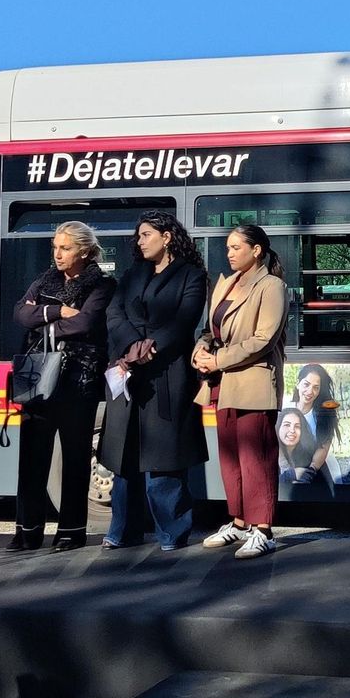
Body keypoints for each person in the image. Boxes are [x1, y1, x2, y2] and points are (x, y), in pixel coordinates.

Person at [99, 211, 209, 551]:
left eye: (146, 234)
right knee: (124, 457)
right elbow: (113, 313)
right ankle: (123, 529)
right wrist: (133, 346)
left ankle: (171, 532)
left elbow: (184, 322)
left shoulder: (192, 276)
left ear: (167, 237)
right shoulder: (133, 274)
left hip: (167, 375)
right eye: (139, 235)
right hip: (129, 371)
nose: (140, 241)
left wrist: (149, 348)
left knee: (165, 459)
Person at [9, 221, 118, 553]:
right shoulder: (45, 280)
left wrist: (42, 321)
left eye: (65, 248)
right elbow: (20, 314)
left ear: (84, 251)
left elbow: (86, 322)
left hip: (78, 380)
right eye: (55, 247)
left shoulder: (102, 284)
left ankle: (71, 531)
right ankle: (27, 532)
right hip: (39, 377)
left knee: (74, 457)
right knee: (31, 457)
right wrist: (56, 311)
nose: (57, 254)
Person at [193, 224, 288, 560]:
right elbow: (211, 331)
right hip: (223, 382)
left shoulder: (272, 286)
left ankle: (263, 530)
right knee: (230, 457)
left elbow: (263, 340)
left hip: (253, 383)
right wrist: (201, 351)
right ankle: (238, 522)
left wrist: (217, 359)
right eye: (228, 248)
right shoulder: (227, 284)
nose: (229, 253)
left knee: (255, 458)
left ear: (256, 250)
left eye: (236, 247)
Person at [288, 363, 340, 481]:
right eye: (306, 384)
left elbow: (323, 447)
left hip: (316, 470)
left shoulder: (324, 416)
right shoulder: (283, 410)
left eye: (316, 387)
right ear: (298, 384)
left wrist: (309, 473)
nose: (310, 391)